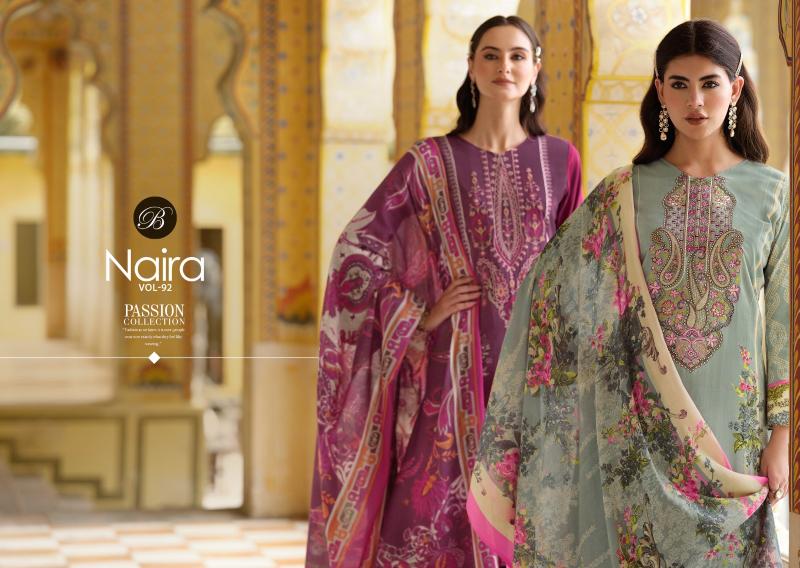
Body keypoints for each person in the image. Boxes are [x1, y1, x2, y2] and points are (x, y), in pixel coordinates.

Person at [468, 19, 787, 566]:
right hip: (637, 425)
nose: (695, 101)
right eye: (679, 84)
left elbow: (782, 325)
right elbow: (550, 298)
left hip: (734, 430)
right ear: (659, 89)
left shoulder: (774, 194)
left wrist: (782, 437)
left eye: (710, 84)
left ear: (735, 89)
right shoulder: (623, 192)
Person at [306, 15, 583, 567]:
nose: (504, 67)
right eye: (490, 55)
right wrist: (422, 314)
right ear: (472, 67)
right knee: (428, 511)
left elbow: (579, 264)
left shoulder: (561, 159)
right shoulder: (428, 161)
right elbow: (358, 252)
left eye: (517, 56)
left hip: (535, 366)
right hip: (451, 367)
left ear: (535, 68)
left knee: (530, 514)